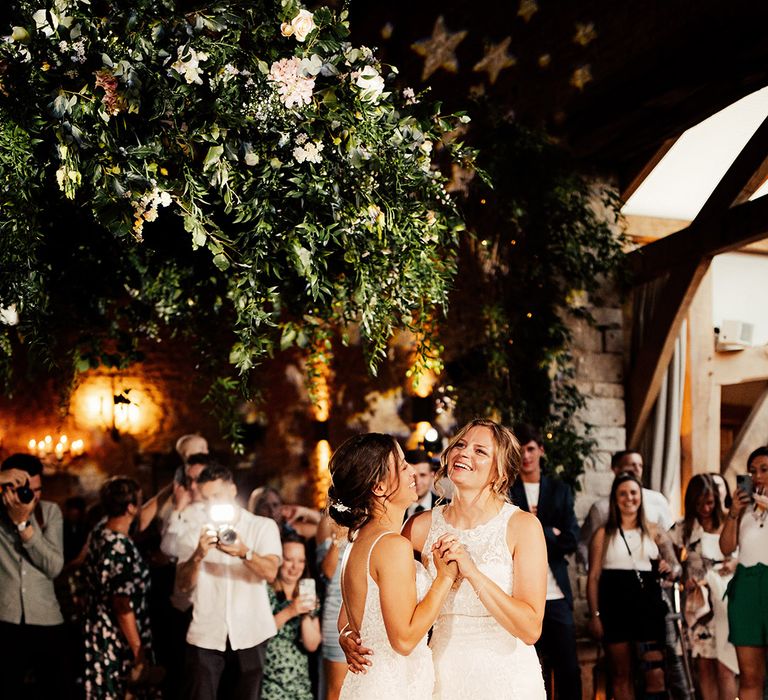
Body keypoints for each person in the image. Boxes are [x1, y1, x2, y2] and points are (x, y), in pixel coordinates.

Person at [328, 432, 459, 700]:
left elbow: (346, 620)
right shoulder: (391, 546)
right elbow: (404, 640)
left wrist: (346, 637)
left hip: (369, 683)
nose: (412, 471)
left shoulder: (359, 540)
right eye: (402, 466)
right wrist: (444, 579)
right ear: (378, 487)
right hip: (393, 687)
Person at [176, 463, 282, 700]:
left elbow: (271, 572)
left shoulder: (262, 526)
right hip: (206, 634)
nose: (212, 503)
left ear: (233, 490)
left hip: (250, 632)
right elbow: (183, 585)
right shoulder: (193, 532)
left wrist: (244, 553)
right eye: (207, 498)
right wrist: (198, 555)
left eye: (217, 496)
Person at [587, 471, 681, 700]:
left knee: (655, 672)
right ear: (615, 498)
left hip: (648, 606)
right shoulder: (603, 534)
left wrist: (670, 569)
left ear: (641, 496)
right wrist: (595, 615)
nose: (629, 498)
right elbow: (594, 577)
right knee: (621, 675)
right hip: (614, 607)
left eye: (633, 492)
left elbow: (676, 567)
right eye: (623, 493)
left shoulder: (654, 531)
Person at [509, 424, 581, 700]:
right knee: (527, 667)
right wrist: (552, 531)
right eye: (520, 450)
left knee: (569, 670)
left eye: (530, 449)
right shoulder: (508, 490)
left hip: (556, 592)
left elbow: (571, 539)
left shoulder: (560, 490)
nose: (526, 456)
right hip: (521, 594)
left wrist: (543, 530)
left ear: (540, 450)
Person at [82, 476, 160, 699]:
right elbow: (121, 604)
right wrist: (138, 651)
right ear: (130, 508)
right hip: (118, 640)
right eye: (139, 501)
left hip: (97, 632)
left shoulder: (99, 533)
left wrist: (167, 493)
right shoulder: (119, 547)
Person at [0, 453, 68, 700]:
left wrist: (23, 526)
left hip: (46, 621)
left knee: (54, 691)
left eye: (38, 489)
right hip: (5, 620)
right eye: (27, 489)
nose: (33, 496)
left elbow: (54, 566)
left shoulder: (48, 513)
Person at [669, 474, 737, 700]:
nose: (705, 508)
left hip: (730, 599)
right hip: (701, 604)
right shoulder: (684, 527)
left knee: (727, 666)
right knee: (705, 665)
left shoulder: (729, 522)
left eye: (709, 502)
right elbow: (667, 554)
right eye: (699, 504)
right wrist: (679, 574)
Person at [720, 446, 768, 700]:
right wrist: (734, 513)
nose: (757, 476)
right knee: (749, 676)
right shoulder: (745, 510)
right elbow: (726, 548)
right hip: (746, 591)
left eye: (764, 469)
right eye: (753, 471)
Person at [579, 449, 673, 566]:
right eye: (632, 465)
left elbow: (668, 538)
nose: (637, 469)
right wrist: (591, 568)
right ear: (616, 469)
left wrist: (668, 566)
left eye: (640, 465)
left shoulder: (658, 500)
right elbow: (584, 543)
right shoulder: (600, 507)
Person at [261, 534, 321, 700]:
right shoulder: (265, 591)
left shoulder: (308, 594)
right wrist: (291, 611)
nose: (295, 567)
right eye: (289, 559)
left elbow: (312, 645)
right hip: (268, 680)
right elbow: (260, 633)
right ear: (279, 560)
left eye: (301, 561)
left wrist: (305, 614)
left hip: (299, 681)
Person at [315, 514, 349, 700]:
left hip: (363, 610)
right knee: (336, 689)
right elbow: (326, 573)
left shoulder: (370, 514)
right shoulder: (328, 521)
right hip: (336, 611)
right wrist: (337, 540)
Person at [403, 449, 440, 521]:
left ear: (433, 476)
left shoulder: (447, 506)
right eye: (412, 476)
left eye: (422, 475)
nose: (417, 481)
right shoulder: (393, 509)